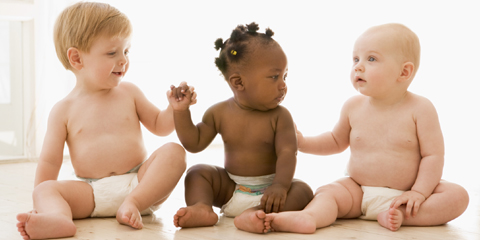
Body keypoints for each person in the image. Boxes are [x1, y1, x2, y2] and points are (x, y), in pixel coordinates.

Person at [263, 23, 469, 233]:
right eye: (355, 59)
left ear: (404, 72)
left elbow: (433, 156)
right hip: (358, 191)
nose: (358, 67)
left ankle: (399, 216)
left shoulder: (421, 109)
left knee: (457, 196)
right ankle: (309, 217)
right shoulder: (353, 106)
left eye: (371, 59)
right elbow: (335, 141)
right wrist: (303, 141)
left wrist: (419, 193)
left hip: (406, 195)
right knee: (330, 192)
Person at [16, 2, 195, 239]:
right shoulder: (63, 110)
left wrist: (175, 109)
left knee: (174, 151)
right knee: (45, 189)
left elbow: (161, 126)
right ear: (77, 58)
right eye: (112, 53)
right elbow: (49, 162)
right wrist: (40, 201)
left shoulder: (129, 92)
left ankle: (131, 205)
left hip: (139, 184)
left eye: (126, 51)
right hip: (90, 192)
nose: (123, 60)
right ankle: (58, 219)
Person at [167, 22, 313, 234]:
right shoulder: (218, 113)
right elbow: (194, 143)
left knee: (303, 191)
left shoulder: (281, 117)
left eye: (285, 76)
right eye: (274, 77)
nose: (283, 85)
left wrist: (280, 187)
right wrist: (181, 111)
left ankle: (255, 214)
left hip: (270, 192)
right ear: (238, 83)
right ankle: (201, 207)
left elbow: (287, 152)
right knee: (197, 173)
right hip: (231, 187)